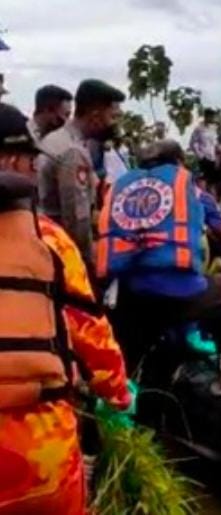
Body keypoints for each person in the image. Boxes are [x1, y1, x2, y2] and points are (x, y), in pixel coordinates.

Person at [0, 104, 131, 514]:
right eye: (29, 160)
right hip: (40, 456)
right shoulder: (50, 241)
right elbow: (95, 339)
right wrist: (119, 397)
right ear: (10, 161)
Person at [97, 140, 221, 392]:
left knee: (128, 362)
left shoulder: (120, 188)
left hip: (126, 295)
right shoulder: (190, 190)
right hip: (177, 294)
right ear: (179, 163)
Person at [37, 79, 125, 264]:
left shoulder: (58, 139)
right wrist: (88, 262)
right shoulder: (73, 151)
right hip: (59, 250)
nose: (114, 124)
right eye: (112, 117)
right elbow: (77, 218)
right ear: (95, 116)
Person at [189, 108, 219, 184]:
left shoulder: (214, 128)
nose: (212, 118)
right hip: (203, 159)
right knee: (203, 181)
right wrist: (201, 156)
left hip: (213, 158)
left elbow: (215, 143)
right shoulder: (199, 129)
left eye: (213, 116)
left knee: (212, 182)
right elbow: (193, 143)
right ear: (206, 116)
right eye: (211, 116)